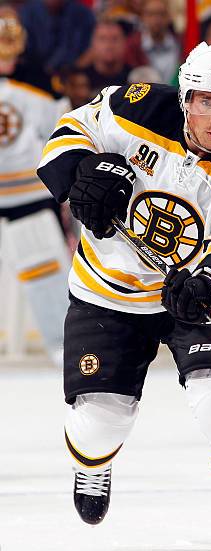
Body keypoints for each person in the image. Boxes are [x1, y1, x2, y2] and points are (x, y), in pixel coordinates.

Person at [37, 42, 211, 551]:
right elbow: (67, 135)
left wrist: (210, 283)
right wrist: (87, 172)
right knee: (97, 426)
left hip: (192, 301)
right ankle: (94, 464)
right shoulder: (136, 107)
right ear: (185, 97)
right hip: (107, 292)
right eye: (207, 100)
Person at [0, 8, 70, 365]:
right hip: (28, 192)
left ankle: (61, 343)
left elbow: (62, 133)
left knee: (45, 270)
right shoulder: (41, 80)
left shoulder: (39, 80)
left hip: (28, 193)